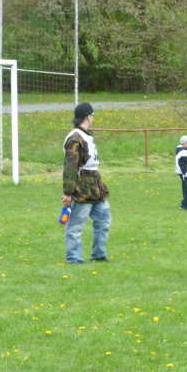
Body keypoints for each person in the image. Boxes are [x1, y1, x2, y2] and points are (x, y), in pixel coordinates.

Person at [62, 102, 111, 264]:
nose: (93, 118)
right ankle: (74, 258)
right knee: (76, 225)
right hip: (82, 186)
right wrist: (68, 192)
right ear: (88, 116)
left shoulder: (86, 135)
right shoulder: (75, 138)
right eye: (93, 115)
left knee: (103, 220)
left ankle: (98, 254)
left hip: (95, 184)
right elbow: (70, 166)